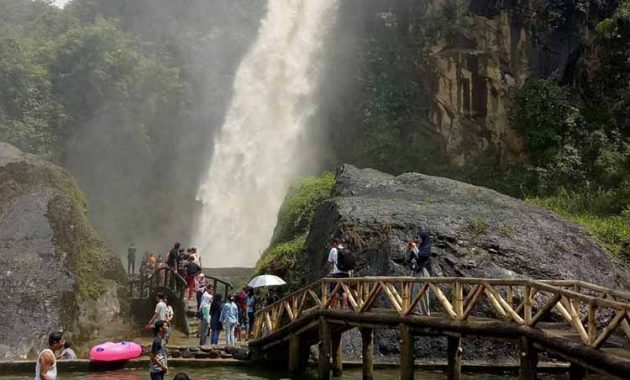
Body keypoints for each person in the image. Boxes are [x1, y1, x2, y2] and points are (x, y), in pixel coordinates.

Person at [408, 229, 432, 315]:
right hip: (416, 272)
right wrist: (412, 249)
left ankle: (423, 312)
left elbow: (422, 257)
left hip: (423, 273)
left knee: (421, 293)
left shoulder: (427, 248)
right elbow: (411, 258)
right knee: (413, 292)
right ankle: (414, 310)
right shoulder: (420, 247)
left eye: (419, 237)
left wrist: (415, 248)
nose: (418, 239)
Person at [327, 238, 349, 309]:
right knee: (344, 290)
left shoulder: (333, 250)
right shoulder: (345, 250)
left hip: (336, 273)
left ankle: (333, 307)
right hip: (346, 273)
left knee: (334, 291)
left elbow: (329, 261)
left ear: (334, 243)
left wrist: (329, 268)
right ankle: (344, 306)